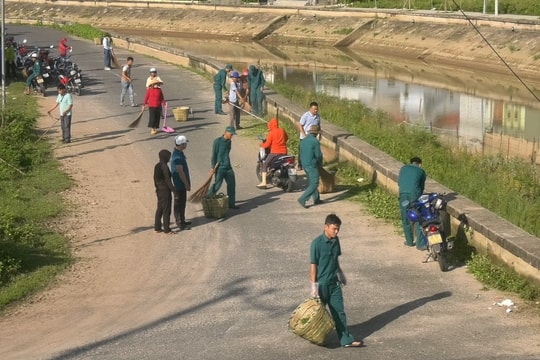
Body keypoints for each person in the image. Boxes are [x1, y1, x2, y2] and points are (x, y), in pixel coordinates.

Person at [310, 213, 364, 348]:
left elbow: (336, 260)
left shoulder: (336, 241)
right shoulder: (316, 244)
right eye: (334, 229)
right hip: (321, 286)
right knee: (317, 315)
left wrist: (341, 274)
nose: (336, 231)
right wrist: (313, 287)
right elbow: (313, 266)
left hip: (334, 284)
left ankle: (346, 339)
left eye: (338, 229)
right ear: (325, 227)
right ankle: (316, 336)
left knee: (339, 312)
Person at [398, 157, 427, 250]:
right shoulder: (421, 171)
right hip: (414, 195)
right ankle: (420, 244)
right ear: (420, 164)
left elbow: (399, 182)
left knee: (405, 217)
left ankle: (409, 241)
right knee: (418, 217)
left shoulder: (403, 168)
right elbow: (421, 187)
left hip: (403, 194)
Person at [207, 126, 239, 210]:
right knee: (217, 185)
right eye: (231, 134)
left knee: (232, 184)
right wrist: (212, 167)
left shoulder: (229, 142)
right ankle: (207, 199)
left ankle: (231, 204)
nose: (232, 136)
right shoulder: (217, 142)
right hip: (219, 168)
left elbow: (226, 153)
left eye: (232, 134)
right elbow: (214, 155)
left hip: (228, 167)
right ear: (226, 132)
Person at [256, 117, 288, 189]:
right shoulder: (282, 130)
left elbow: (267, 145)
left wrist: (261, 145)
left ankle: (263, 183)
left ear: (271, 125)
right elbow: (286, 138)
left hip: (274, 153)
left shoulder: (271, 133)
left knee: (265, 164)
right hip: (284, 152)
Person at [298, 124, 323, 208]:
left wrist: (300, 164)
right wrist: (320, 163)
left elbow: (300, 153)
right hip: (312, 165)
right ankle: (303, 198)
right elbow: (318, 155)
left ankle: (316, 199)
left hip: (304, 164)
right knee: (315, 183)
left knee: (311, 182)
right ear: (317, 133)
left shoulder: (304, 140)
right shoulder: (315, 141)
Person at [171, 135, 192, 230]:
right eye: (185, 143)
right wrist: (186, 183)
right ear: (182, 144)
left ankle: (182, 220)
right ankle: (179, 223)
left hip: (181, 184)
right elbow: (180, 171)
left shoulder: (180, 153)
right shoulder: (177, 156)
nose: (186, 144)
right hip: (179, 184)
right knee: (179, 203)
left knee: (182, 203)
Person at [153, 149, 176, 234]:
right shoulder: (164, 167)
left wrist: (156, 188)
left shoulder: (157, 166)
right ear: (165, 157)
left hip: (159, 190)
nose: (169, 158)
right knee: (166, 210)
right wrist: (174, 191)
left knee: (159, 209)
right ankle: (167, 229)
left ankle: (157, 227)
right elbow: (168, 180)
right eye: (168, 156)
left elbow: (154, 179)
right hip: (165, 191)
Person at [297, 101, 321, 170]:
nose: (316, 111)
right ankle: (300, 165)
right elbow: (300, 125)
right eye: (314, 109)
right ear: (310, 109)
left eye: (317, 109)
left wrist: (319, 134)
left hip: (313, 136)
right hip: (305, 137)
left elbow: (319, 125)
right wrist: (304, 135)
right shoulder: (305, 116)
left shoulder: (317, 116)